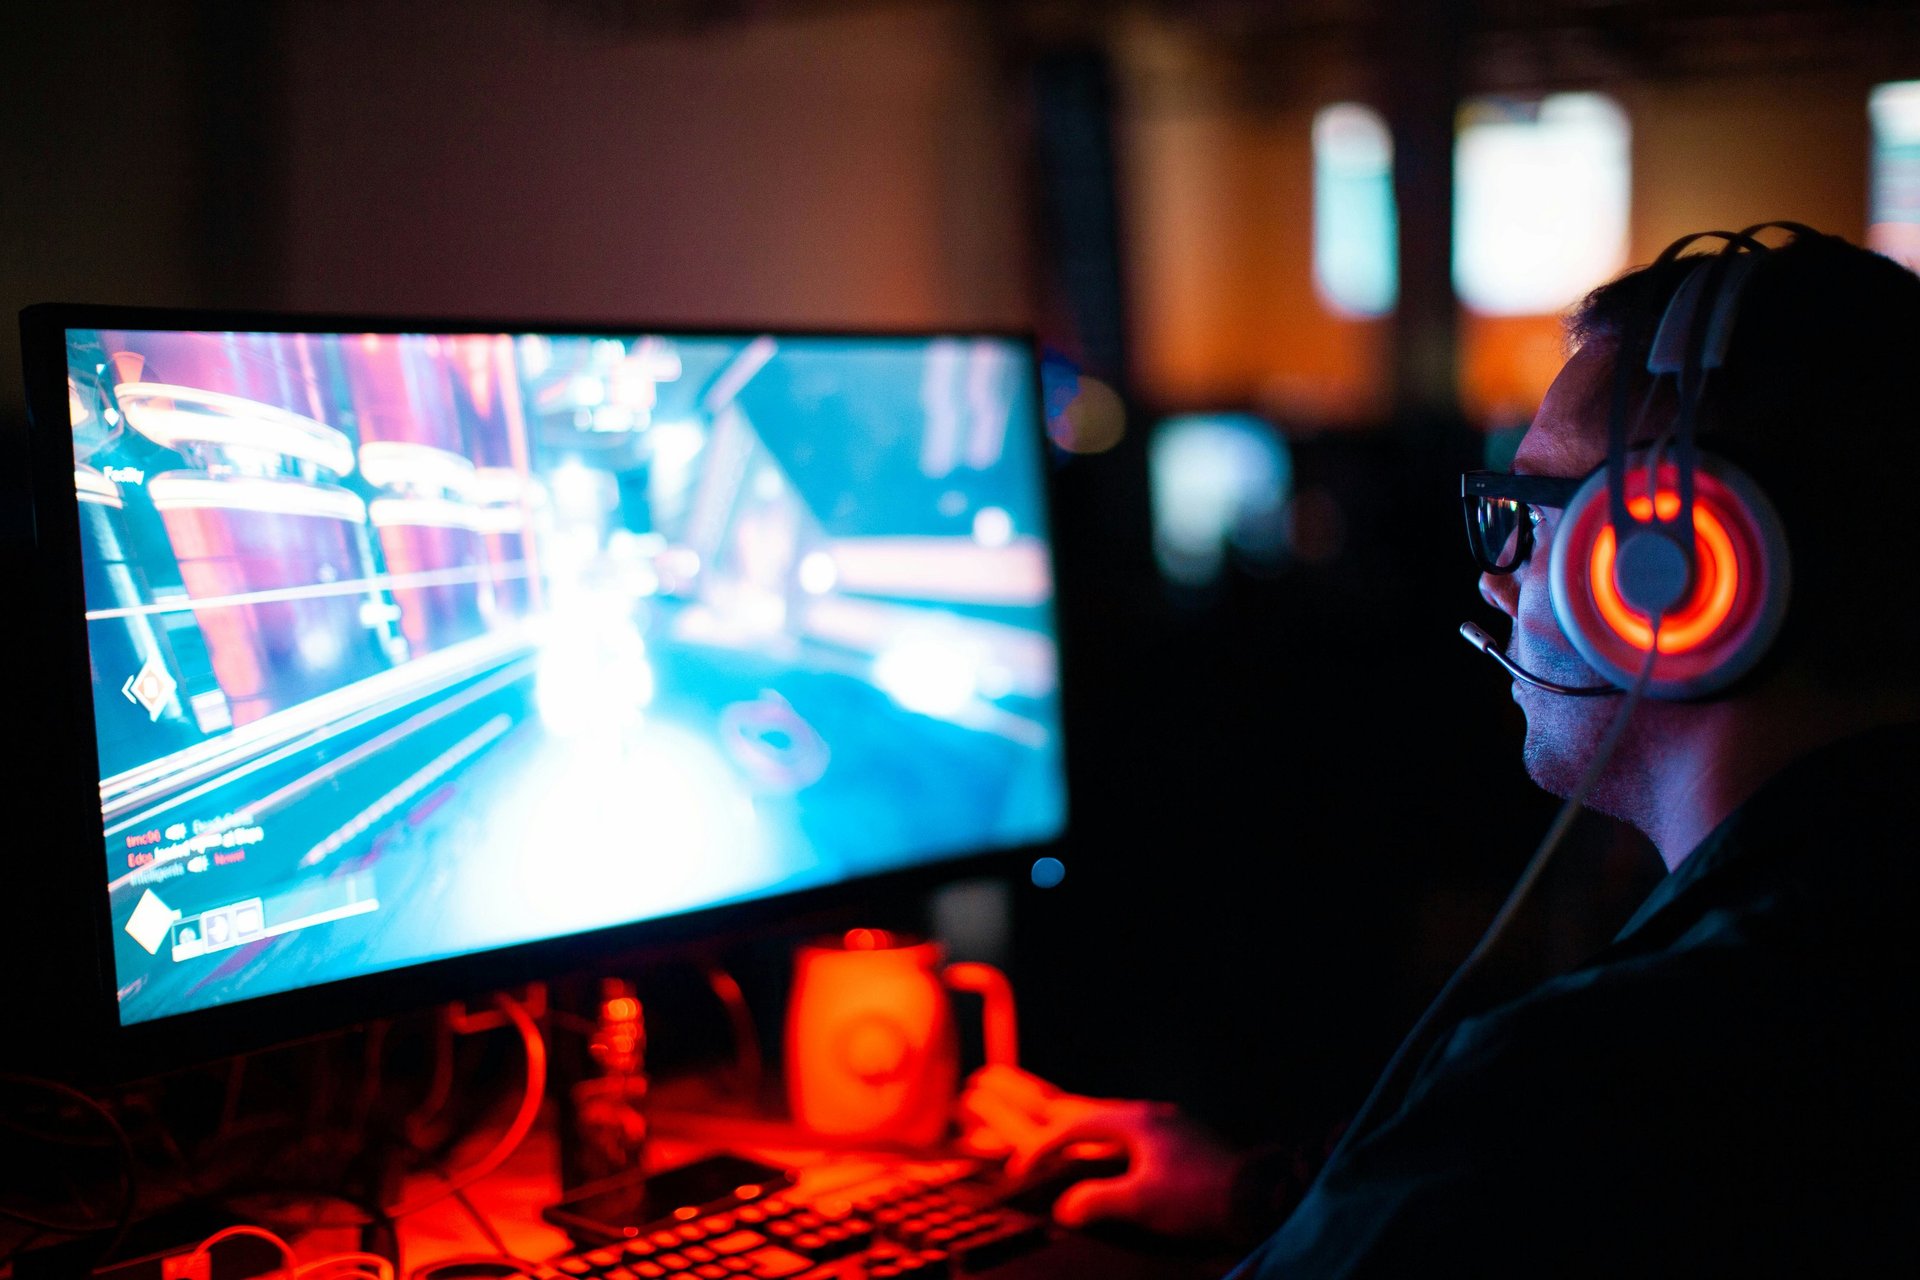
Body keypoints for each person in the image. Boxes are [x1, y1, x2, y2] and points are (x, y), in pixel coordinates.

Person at [958, 228, 1920, 1275]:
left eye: (1541, 514)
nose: (1494, 582)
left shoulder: (1593, 1081)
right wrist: (1259, 1192)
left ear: (1683, 570)